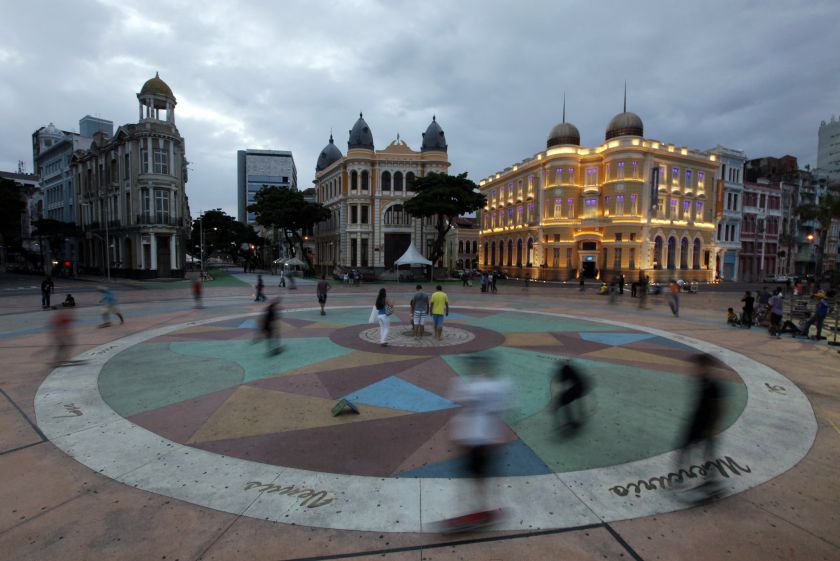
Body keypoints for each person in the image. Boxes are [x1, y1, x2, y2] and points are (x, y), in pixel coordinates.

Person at [448, 358, 510, 518]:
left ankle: (477, 507)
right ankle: (481, 505)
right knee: (481, 473)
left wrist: (456, 436)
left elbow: (466, 405)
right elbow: (497, 411)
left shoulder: (469, 386)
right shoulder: (498, 386)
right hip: (487, 437)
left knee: (474, 473)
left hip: (473, 438)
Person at [675, 353, 725, 502]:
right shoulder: (700, 380)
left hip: (706, 425)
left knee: (706, 454)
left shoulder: (714, 385)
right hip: (695, 422)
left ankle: (711, 482)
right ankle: (682, 481)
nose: (692, 370)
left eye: (696, 367)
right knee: (686, 451)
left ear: (704, 367)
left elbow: (720, 407)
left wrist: (714, 428)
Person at [552, 361, 591, 431]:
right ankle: (578, 416)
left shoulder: (565, 371)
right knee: (566, 398)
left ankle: (571, 421)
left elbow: (562, 383)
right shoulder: (570, 371)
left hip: (580, 387)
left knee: (563, 400)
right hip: (582, 386)